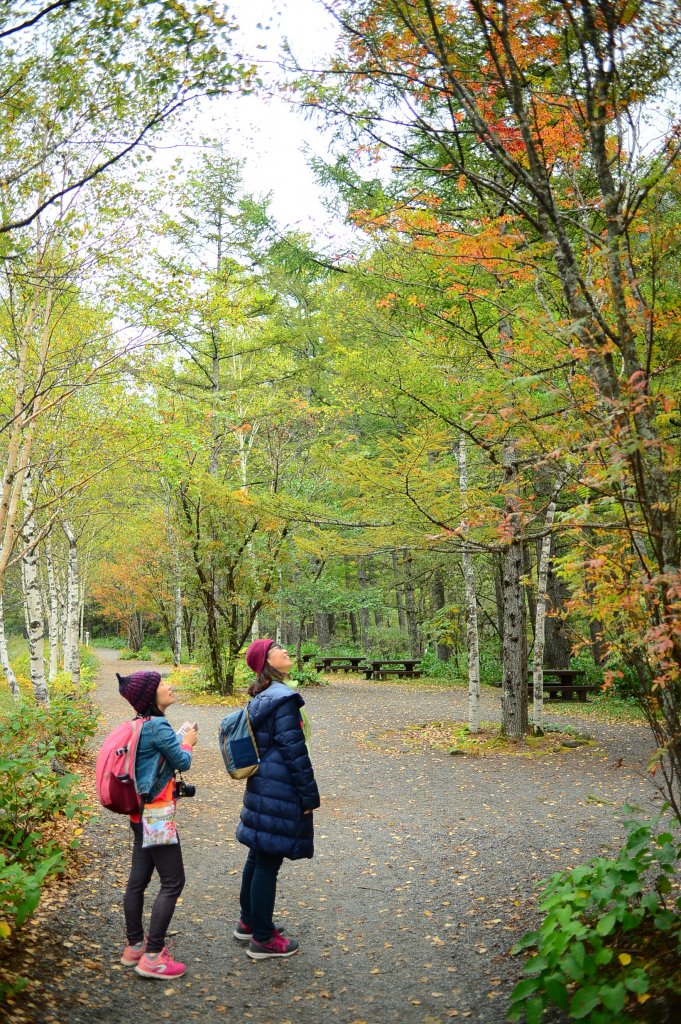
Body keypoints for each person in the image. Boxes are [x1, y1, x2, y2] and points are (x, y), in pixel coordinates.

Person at [235, 639, 320, 960]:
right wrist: (308, 795)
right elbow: (294, 751)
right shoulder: (282, 699)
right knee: (268, 861)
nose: (285, 651)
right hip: (280, 786)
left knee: (259, 854)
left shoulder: (264, 696)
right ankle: (263, 938)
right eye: (277, 649)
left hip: (264, 784)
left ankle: (249, 922)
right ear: (267, 662)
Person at [116, 669, 198, 979]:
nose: (169, 686)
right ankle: (153, 957)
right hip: (157, 815)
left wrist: (177, 738)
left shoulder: (141, 724)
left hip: (139, 814)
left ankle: (135, 946)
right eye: (162, 684)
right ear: (150, 695)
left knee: (138, 881)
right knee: (173, 881)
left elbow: (157, 757)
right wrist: (187, 742)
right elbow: (183, 762)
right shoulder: (158, 726)